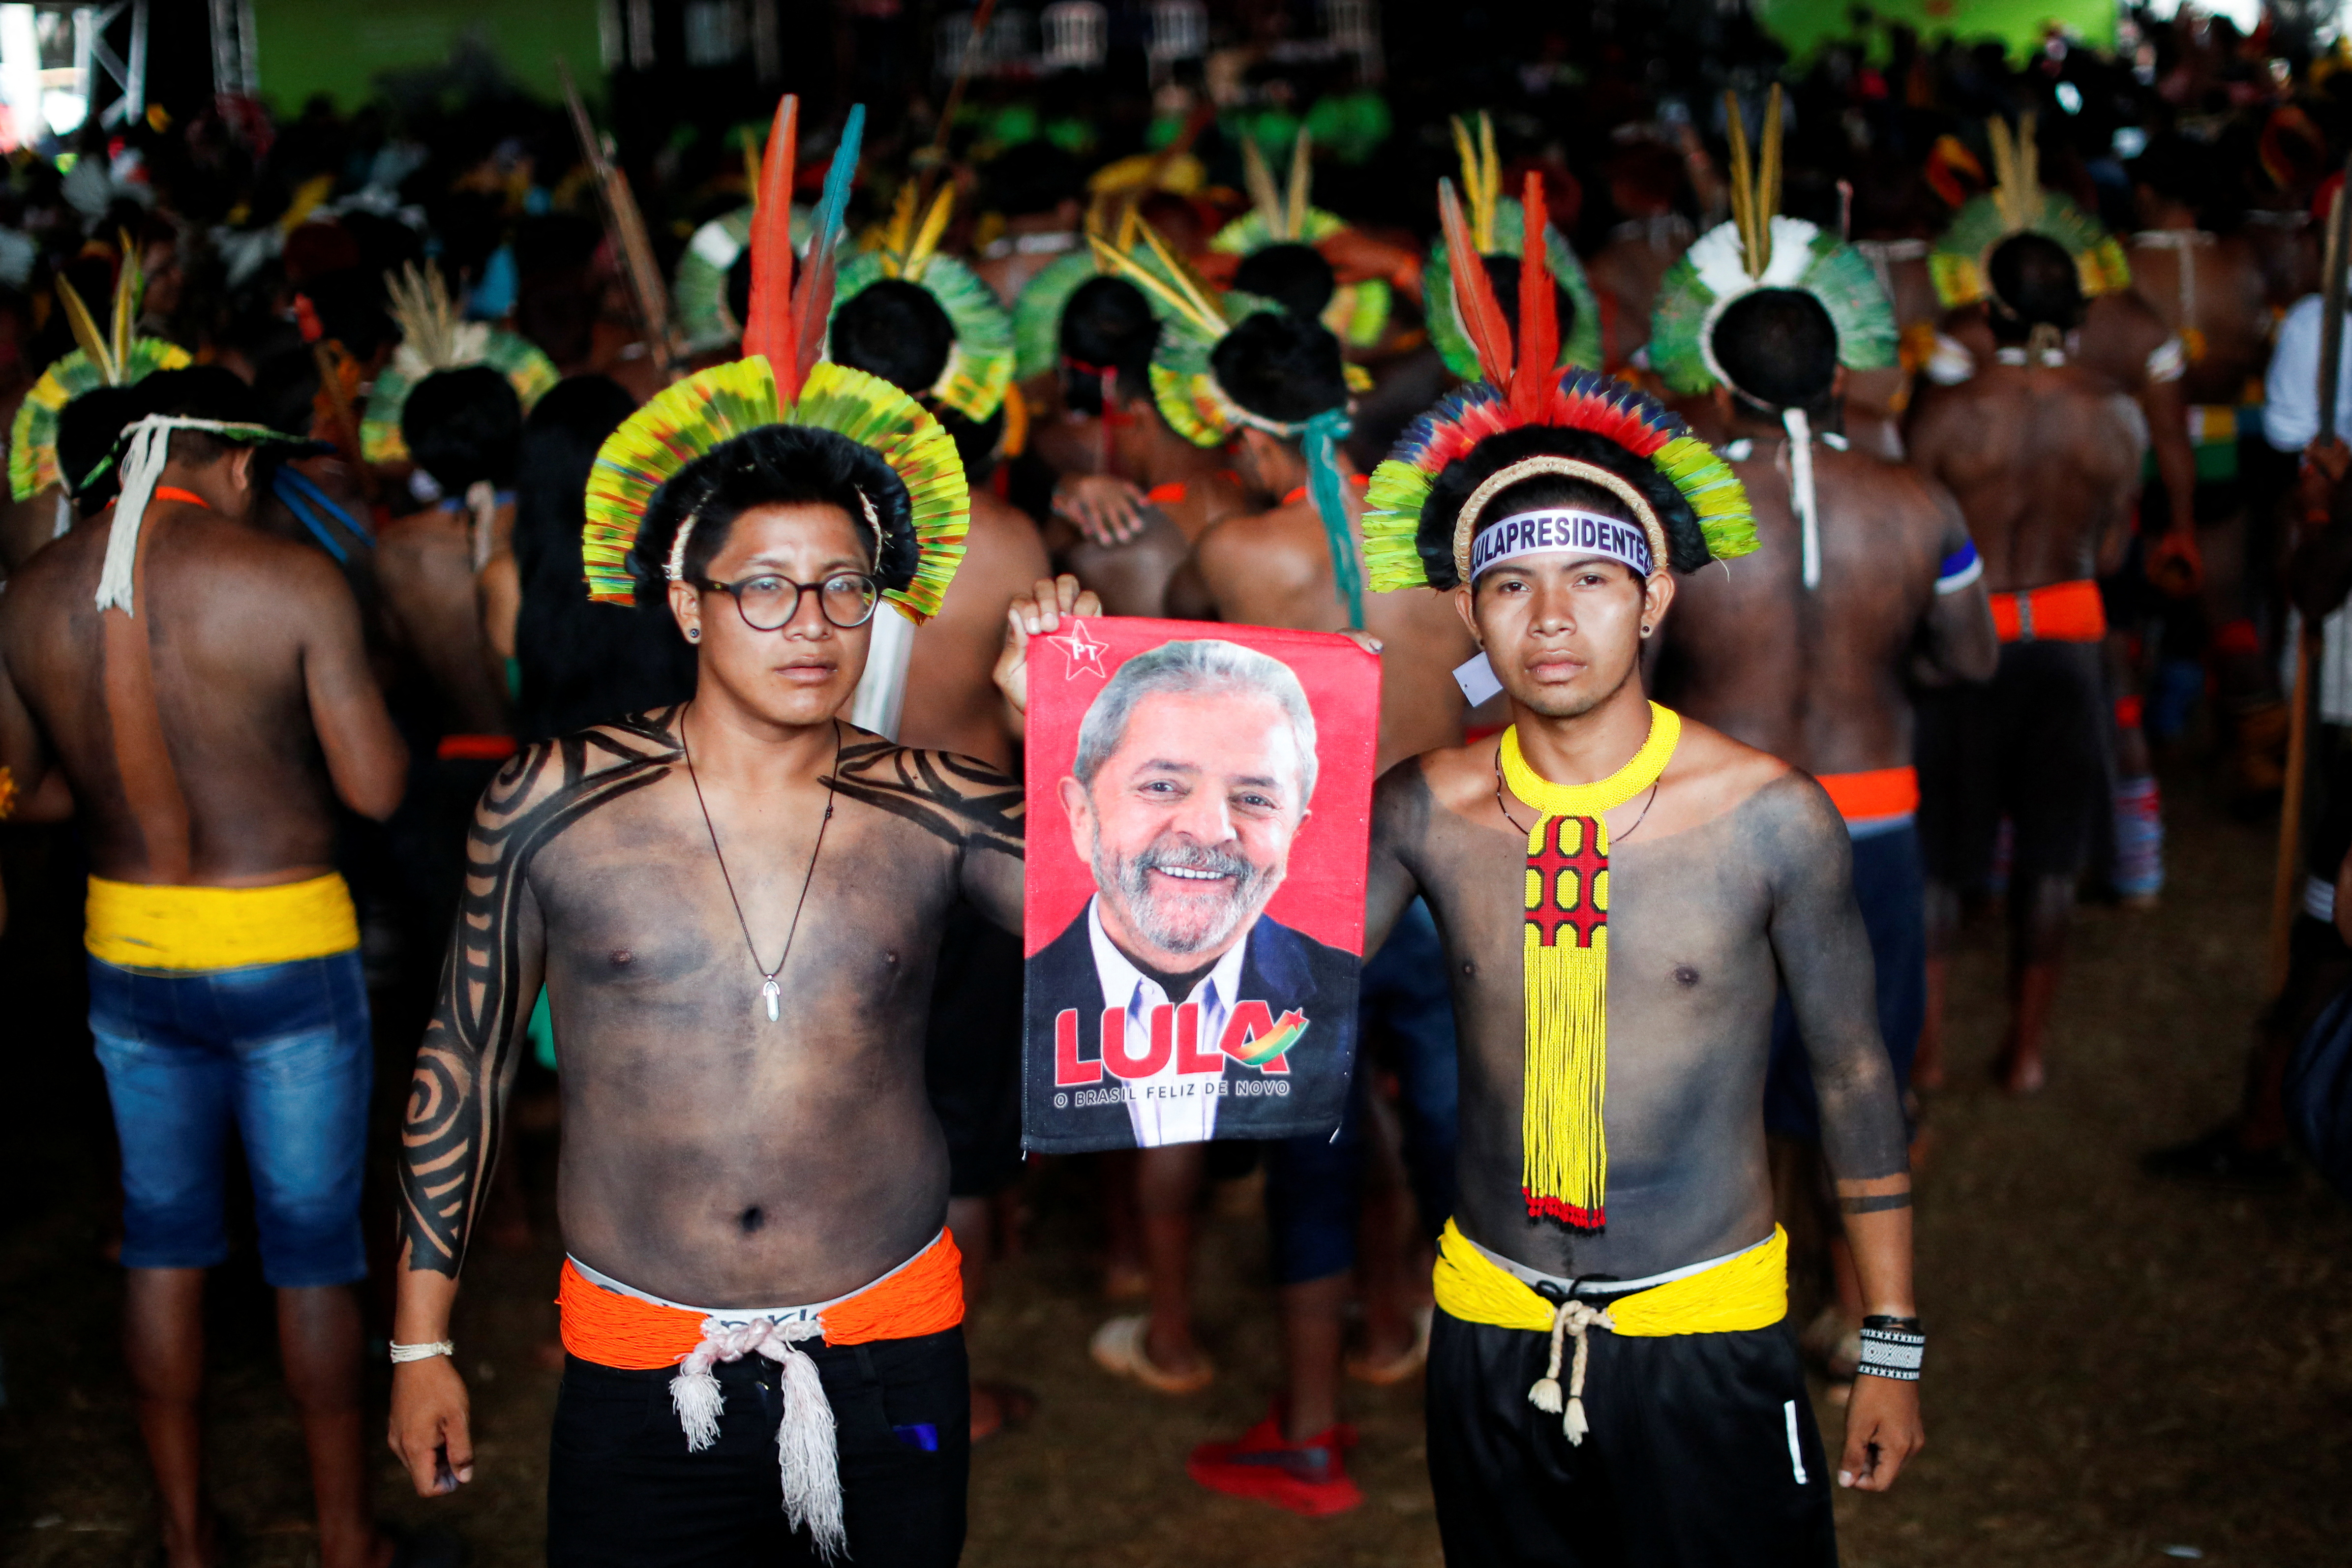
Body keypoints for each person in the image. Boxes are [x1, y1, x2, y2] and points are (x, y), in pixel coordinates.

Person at [384, 116, 1032, 1565]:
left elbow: (1133, 928)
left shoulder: (934, 798)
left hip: (893, 1347)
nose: (810, 625)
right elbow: (465, 1056)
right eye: (764, 591)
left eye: (844, 588)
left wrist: (1060, 718)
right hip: (633, 1354)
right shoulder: (557, 796)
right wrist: (416, 1343)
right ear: (686, 604)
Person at [1347, 206, 1923, 1561]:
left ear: (1656, 593)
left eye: (1594, 579)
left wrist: (1887, 1341)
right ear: (1468, 613)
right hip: (1487, 1322)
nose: (1552, 621)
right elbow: (1269, 983)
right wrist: (1096, 716)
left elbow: (1849, 1076)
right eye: (1514, 588)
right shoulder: (1423, 807)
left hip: (1703, 1327)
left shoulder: (1766, 816)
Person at [0, 366, 408, 1568]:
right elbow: (377, 786)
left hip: (129, 950)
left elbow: (23, 794)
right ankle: (345, 1542)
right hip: (287, 946)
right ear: (229, 460)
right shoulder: (286, 581)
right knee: (315, 1254)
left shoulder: (26, 596)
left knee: (163, 1242)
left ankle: (183, 1540)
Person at [1649, 261, 1994, 1382]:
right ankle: (1859, 1314)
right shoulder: (1917, 504)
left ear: (1718, 386)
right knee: (1862, 1064)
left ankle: (1735, 1302)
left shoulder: (1678, 510)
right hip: (1871, 821)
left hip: (1717, 822)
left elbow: (1627, 677)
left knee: (1721, 1067)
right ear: (1843, 372)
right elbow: (1971, 657)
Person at [825, 225, 1053, 1442]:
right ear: (958, 372)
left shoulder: (784, 537)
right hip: (964, 866)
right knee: (956, 1137)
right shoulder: (1006, 539)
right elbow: (1041, 730)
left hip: (817, 861)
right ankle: (935, 1397)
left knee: (836, 1110)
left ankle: (854, 1371)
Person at [1906, 231, 2149, 1095]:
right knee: (2049, 858)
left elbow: (1916, 540)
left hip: (1966, 647)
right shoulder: (2116, 412)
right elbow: (2115, 547)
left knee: (1938, 862)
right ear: (2081, 313)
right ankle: (2025, 1054)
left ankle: (1926, 1053)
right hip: (2068, 644)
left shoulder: (1947, 412)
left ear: (1989, 311)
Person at [1025, 636, 1355, 1149]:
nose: (1208, 829)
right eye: (1163, 786)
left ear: (1295, 834)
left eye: (1253, 798)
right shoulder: (1013, 991)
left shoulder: (1340, 994)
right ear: (1082, 814)